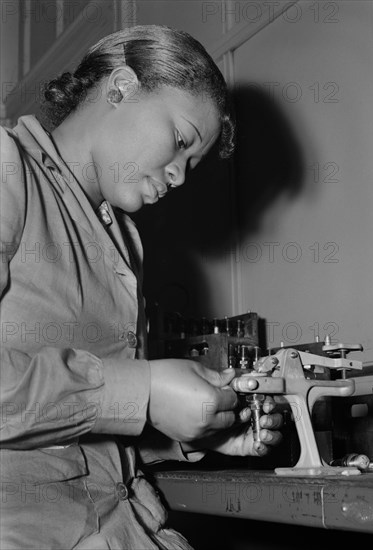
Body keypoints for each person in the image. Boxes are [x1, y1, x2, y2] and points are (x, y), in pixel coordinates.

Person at [0, 25, 282, 550]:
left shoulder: (124, 243)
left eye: (191, 166)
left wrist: (195, 431)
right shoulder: (7, 168)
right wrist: (146, 393)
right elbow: (114, 396)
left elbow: (88, 440)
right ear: (121, 86)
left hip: (131, 529)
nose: (179, 176)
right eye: (180, 141)